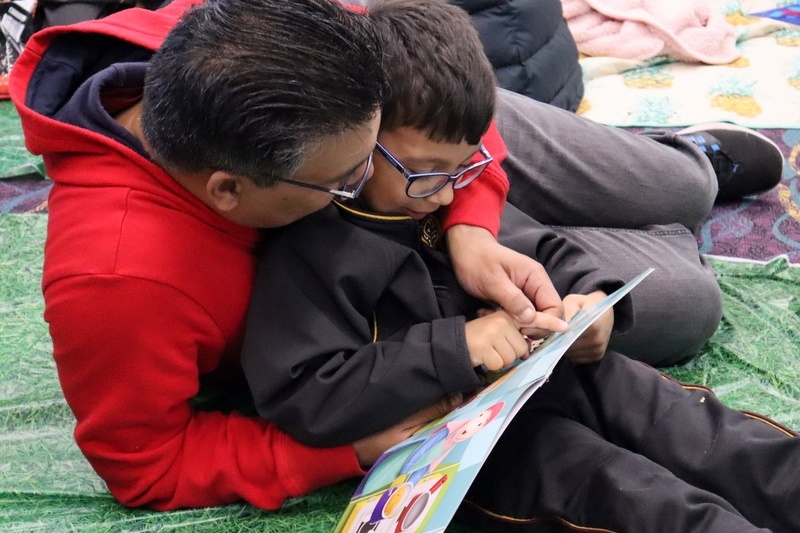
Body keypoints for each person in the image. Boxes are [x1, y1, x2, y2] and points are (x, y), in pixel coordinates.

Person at [9, 0, 784, 513]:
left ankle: (693, 164)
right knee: (686, 299)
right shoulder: (119, 278)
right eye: (348, 178)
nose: (361, 183)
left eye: (367, 157)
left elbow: (436, 117)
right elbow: (145, 462)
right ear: (230, 194)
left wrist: (472, 221)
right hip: (416, 230)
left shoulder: (291, 44)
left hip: (440, 157)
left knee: (676, 188)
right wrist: (351, 449)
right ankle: (638, 215)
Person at [241, 1, 799, 531]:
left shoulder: (445, 184)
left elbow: (543, 249)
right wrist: (455, 349)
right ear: (356, 139)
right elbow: (305, 395)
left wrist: (589, 300)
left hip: (557, 370)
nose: (444, 196)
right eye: (424, 172)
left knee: (698, 430)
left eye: (464, 168)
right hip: (468, 437)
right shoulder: (309, 248)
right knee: (626, 494)